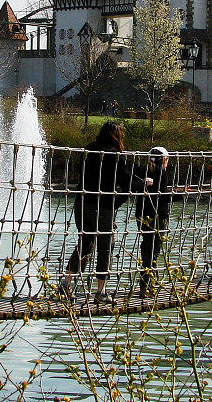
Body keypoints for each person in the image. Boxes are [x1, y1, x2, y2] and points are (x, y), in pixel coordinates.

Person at [59, 122, 150, 304]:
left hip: (82, 203)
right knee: (106, 247)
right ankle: (100, 292)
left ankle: (65, 284)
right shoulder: (114, 156)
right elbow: (126, 183)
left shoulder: (90, 150)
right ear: (117, 137)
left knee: (85, 244)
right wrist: (143, 183)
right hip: (102, 207)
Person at [135, 147, 180, 298]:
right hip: (157, 216)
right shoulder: (162, 172)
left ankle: (145, 284)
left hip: (141, 215)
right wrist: (181, 195)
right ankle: (148, 285)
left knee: (146, 247)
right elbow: (161, 197)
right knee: (153, 251)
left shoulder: (142, 171)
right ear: (165, 159)